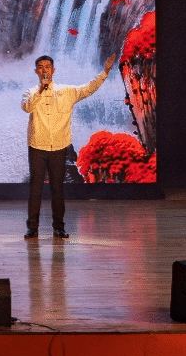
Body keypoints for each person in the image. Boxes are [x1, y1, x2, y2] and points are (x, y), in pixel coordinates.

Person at [21, 53, 116, 239]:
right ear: (36, 71)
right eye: (41, 67)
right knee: (36, 188)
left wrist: (105, 72)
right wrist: (41, 90)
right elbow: (27, 107)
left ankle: (59, 227)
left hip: (59, 146)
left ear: (53, 70)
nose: (45, 69)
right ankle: (32, 227)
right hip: (37, 146)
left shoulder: (67, 91)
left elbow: (88, 89)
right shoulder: (30, 92)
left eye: (48, 66)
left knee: (57, 188)